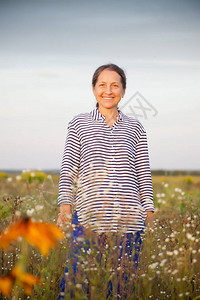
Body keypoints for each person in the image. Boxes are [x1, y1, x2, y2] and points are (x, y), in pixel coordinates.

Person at [57, 63, 155, 299]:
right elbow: (69, 167)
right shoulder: (79, 122)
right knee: (75, 283)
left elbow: (143, 170)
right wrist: (65, 206)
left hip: (130, 220)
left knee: (120, 288)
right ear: (93, 89)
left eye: (115, 85)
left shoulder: (136, 127)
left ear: (123, 90)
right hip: (89, 216)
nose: (108, 91)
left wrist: (148, 207)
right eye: (102, 85)